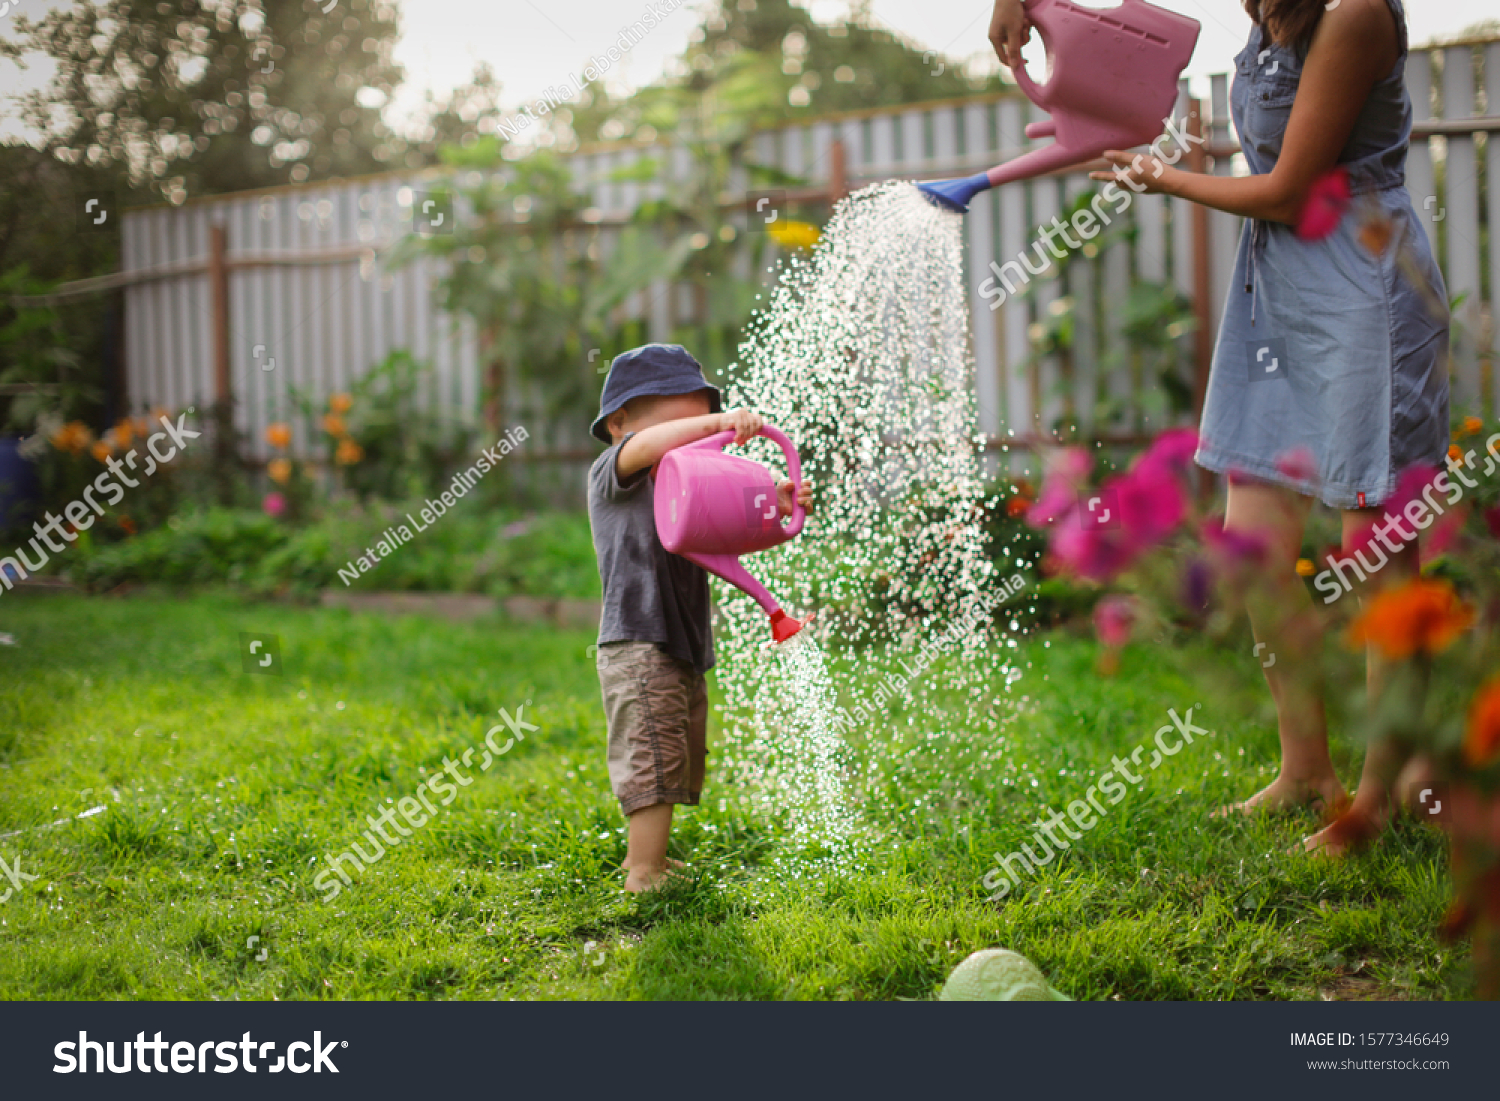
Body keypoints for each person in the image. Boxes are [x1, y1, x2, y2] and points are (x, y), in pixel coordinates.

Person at [990, 0, 1449, 853]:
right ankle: (1305, 769)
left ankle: (1379, 799)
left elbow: (1287, 191)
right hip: (1276, 300)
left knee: (1379, 561)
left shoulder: (1352, 15)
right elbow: (1291, 146)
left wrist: (1163, 176)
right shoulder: (1270, 14)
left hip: (1362, 296)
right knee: (1257, 550)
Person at [588, 344, 812, 891]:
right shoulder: (615, 474)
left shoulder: (689, 486)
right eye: (681, 423)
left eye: (702, 420)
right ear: (620, 424)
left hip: (682, 641)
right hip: (639, 638)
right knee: (654, 753)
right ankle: (643, 872)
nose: (695, 436)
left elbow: (733, 537)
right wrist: (715, 421)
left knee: (679, 749)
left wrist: (775, 504)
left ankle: (652, 859)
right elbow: (649, 446)